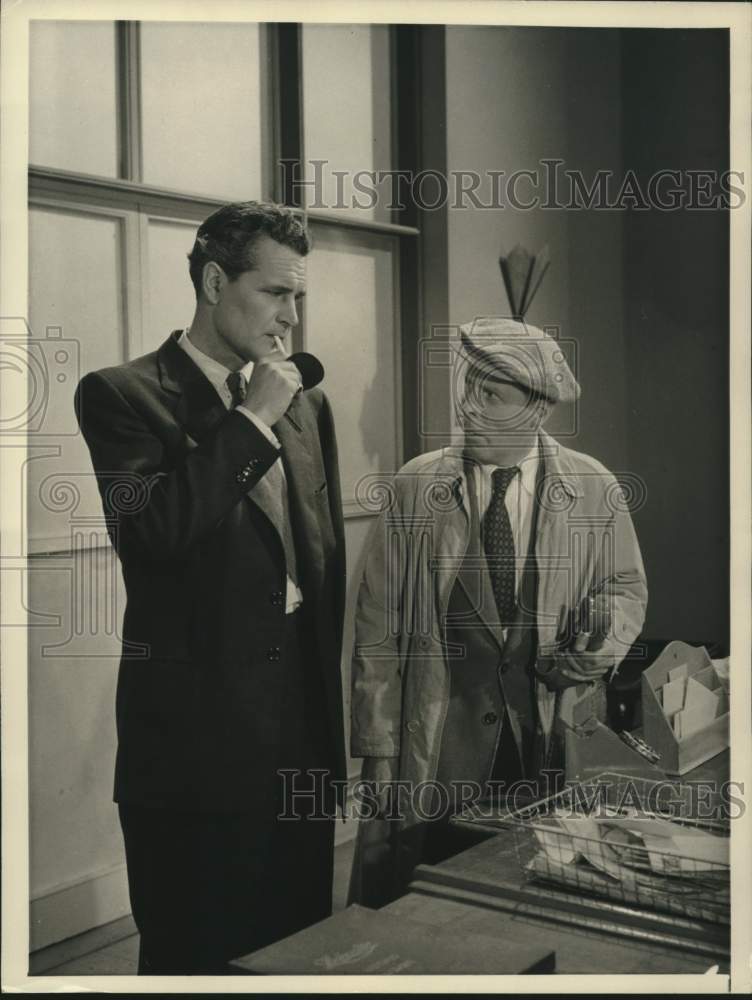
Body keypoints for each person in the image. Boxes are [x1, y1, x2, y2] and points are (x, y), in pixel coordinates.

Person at [74, 201, 347, 973]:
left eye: (299, 297)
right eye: (275, 294)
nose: (291, 317)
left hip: (299, 734)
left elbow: (319, 562)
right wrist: (251, 421)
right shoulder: (122, 395)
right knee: (196, 958)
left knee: (298, 951)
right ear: (214, 280)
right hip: (194, 751)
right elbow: (153, 534)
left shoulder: (308, 403)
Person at [348, 317, 647, 906]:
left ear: (538, 410)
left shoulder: (592, 487)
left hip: (546, 739)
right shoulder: (415, 487)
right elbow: (377, 630)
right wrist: (378, 748)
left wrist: (599, 641)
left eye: (491, 394)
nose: (468, 408)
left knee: (541, 894)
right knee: (424, 904)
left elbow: (626, 587)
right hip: (439, 748)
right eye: (468, 388)